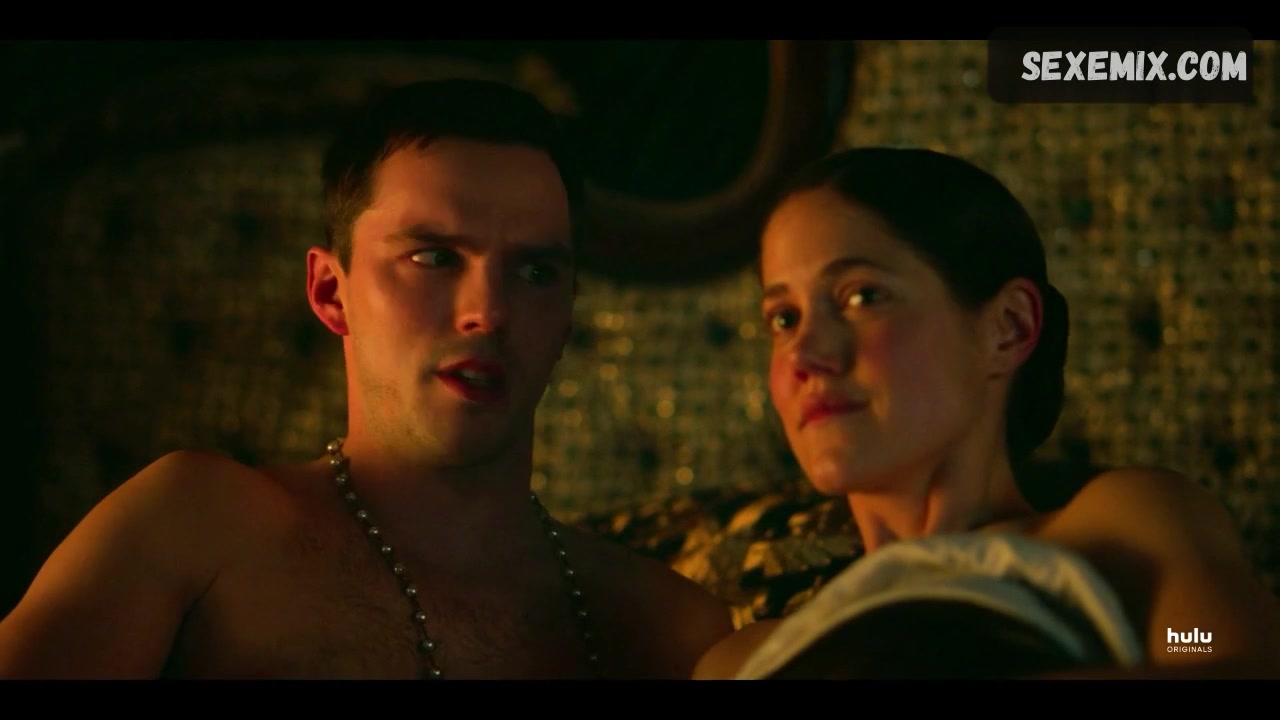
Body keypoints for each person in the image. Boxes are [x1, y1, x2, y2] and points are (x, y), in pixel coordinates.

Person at [0, 78, 734, 679]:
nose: (488, 311)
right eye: (434, 258)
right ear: (330, 292)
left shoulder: (667, 627)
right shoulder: (194, 527)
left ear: (568, 313)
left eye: (536, 272)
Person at [693, 146, 1280, 679]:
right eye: (784, 319)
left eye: (862, 296)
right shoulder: (744, 660)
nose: (804, 354)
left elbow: (1215, 657)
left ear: (1008, 328)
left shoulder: (1121, 532)